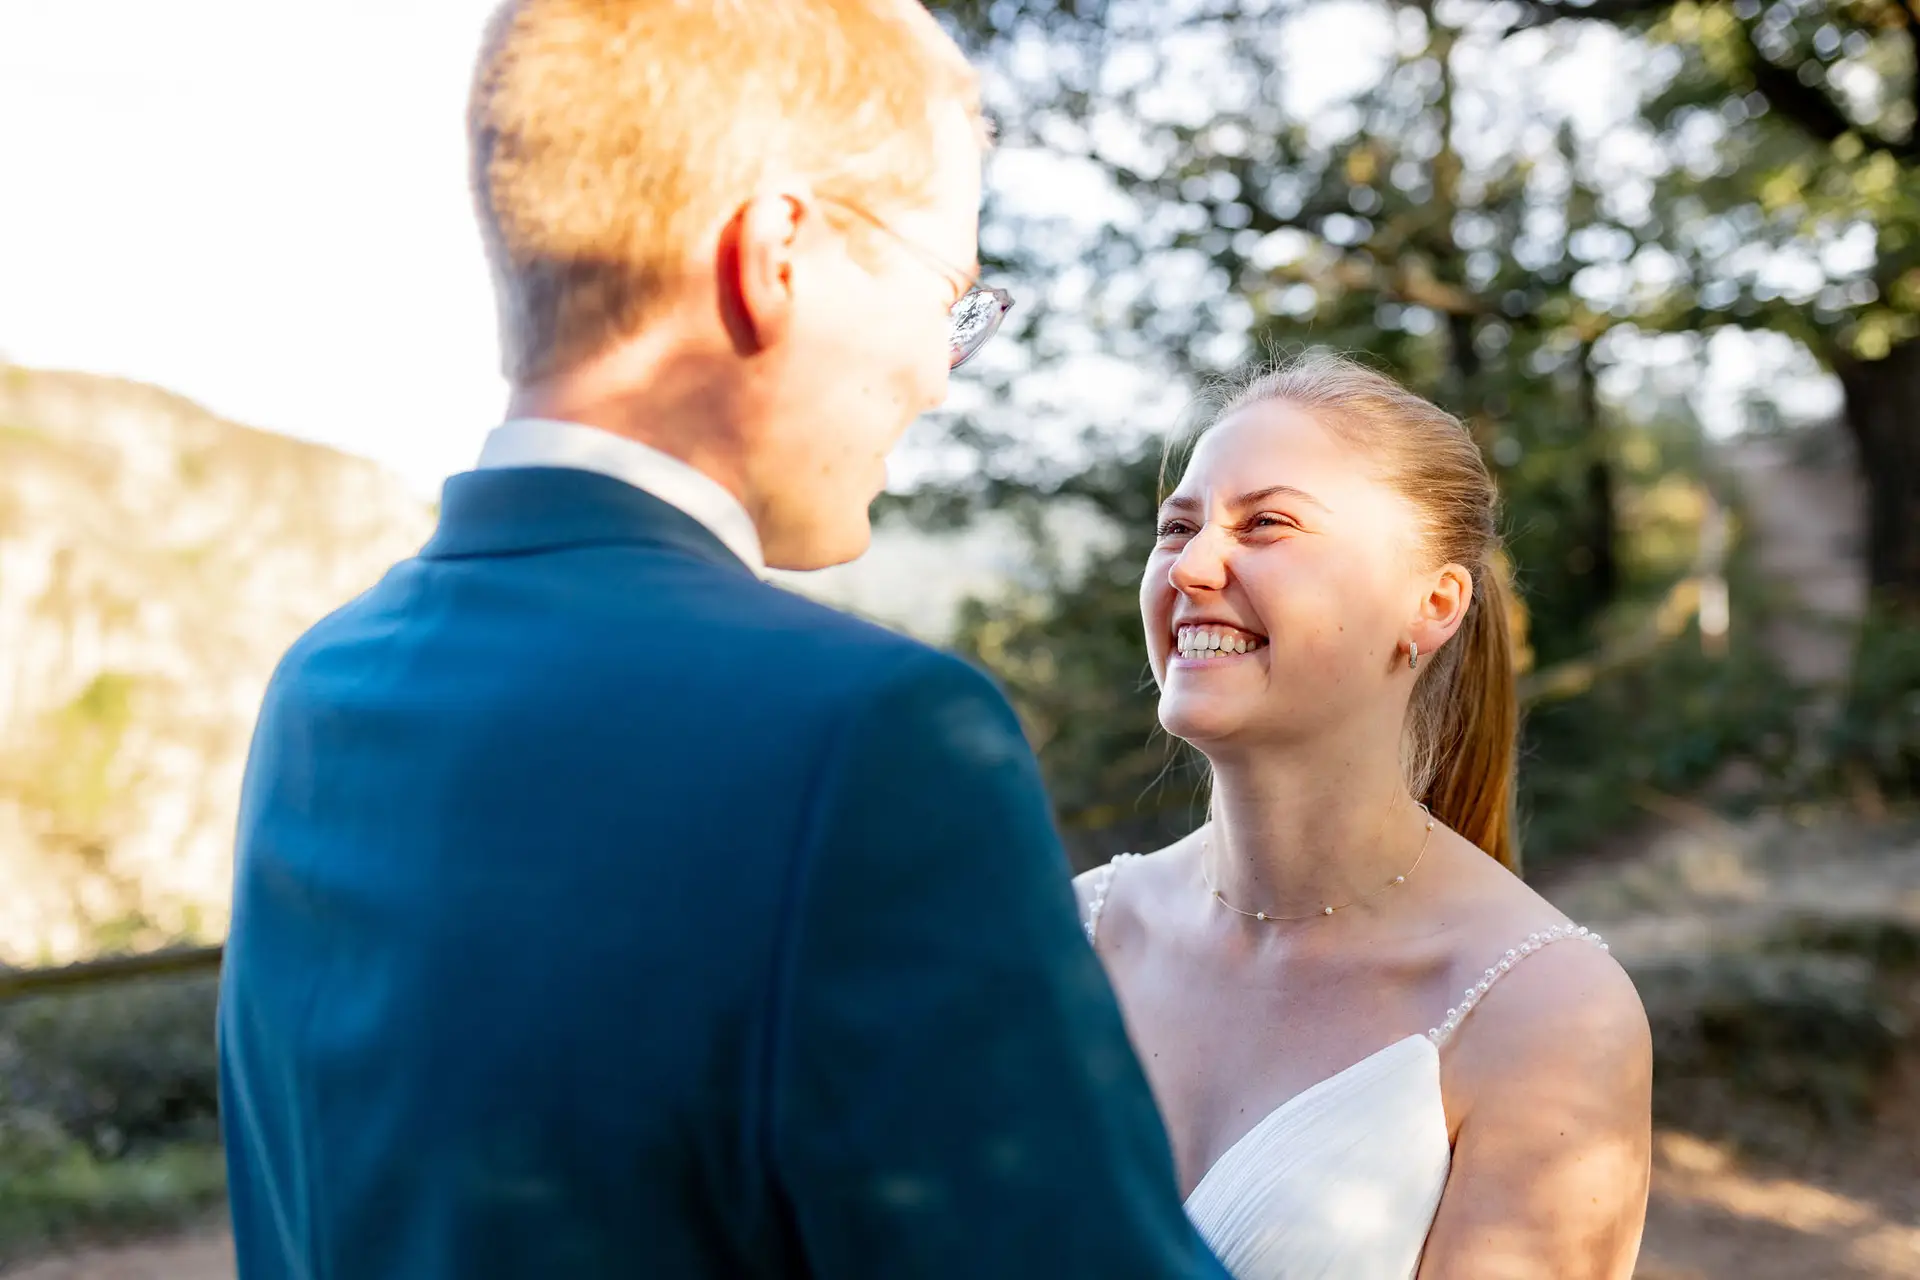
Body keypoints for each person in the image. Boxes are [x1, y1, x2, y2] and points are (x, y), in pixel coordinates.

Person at [216, 2, 1225, 1276]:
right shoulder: (867, 739)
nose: (940, 372)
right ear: (779, 254)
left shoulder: (319, 691)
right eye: (951, 294)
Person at [1077, 351, 1653, 1280]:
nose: (1191, 564)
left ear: (1430, 605)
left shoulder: (1546, 1014)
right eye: (1173, 527)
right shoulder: (1074, 935)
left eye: (1267, 523)